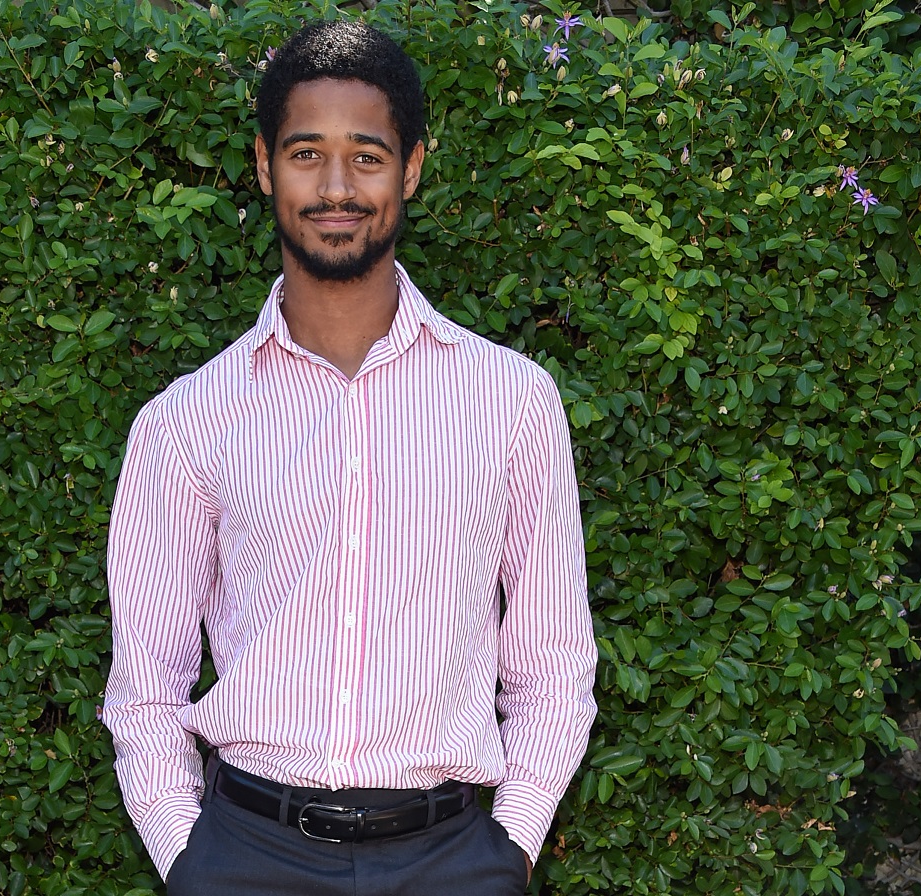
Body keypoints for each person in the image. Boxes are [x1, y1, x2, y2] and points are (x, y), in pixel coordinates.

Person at [102, 19, 597, 896]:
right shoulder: (187, 421)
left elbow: (553, 666)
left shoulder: (512, 401)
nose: (336, 187)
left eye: (366, 156)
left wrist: (509, 851)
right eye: (307, 154)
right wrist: (191, 862)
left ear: (411, 169)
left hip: (453, 861)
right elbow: (146, 689)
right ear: (265, 166)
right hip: (246, 858)